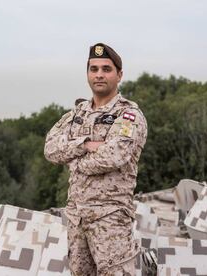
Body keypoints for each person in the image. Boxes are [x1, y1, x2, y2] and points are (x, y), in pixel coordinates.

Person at [44, 43, 147, 275]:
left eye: (106, 69)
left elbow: (114, 155)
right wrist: (85, 144)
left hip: (109, 219)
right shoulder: (77, 114)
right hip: (77, 217)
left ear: (119, 75)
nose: (99, 74)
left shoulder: (128, 114)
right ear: (88, 74)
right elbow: (50, 149)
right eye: (94, 69)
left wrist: (72, 160)